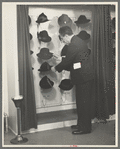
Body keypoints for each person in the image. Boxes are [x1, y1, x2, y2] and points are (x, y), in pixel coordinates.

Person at [52, 26, 94, 135]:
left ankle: (85, 128)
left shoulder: (73, 44)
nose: (63, 41)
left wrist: (56, 68)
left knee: (83, 104)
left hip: (83, 77)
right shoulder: (78, 41)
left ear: (66, 35)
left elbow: (68, 62)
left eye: (62, 38)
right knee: (81, 103)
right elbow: (75, 59)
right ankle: (81, 124)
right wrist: (62, 59)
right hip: (83, 77)